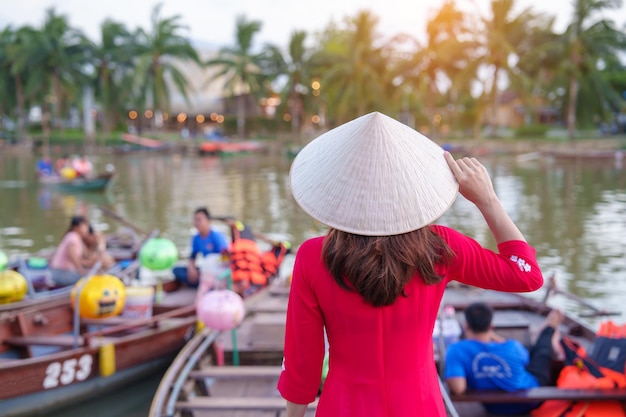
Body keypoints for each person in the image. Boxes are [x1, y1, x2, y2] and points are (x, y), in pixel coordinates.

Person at [277, 112, 544, 417]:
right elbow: (526, 274)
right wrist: (488, 200)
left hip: (344, 406)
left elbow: (303, 363)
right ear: (411, 187)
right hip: (420, 405)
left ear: (341, 189)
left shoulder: (314, 256)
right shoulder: (440, 248)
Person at [444, 302, 563, 415]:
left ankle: (546, 331)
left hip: (494, 407)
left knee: (534, 351)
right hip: (530, 401)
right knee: (542, 351)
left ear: (466, 326)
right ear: (491, 327)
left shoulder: (456, 350)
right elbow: (526, 360)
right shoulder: (512, 345)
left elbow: (458, 389)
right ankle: (549, 328)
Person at [172, 207, 229, 287]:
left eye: (199, 220)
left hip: (217, 270)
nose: (196, 223)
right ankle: (203, 283)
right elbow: (192, 256)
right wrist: (191, 268)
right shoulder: (196, 238)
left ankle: (206, 283)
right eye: (195, 220)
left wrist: (213, 266)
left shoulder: (217, 236)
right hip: (205, 270)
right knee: (176, 270)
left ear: (208, 221)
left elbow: (226, 257)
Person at [49, 216, 101, 286]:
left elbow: (77, 258)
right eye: (84, 226)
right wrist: (82, 271)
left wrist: (89, 263)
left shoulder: (72, 236)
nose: (86, 229)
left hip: (57, 273)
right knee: (94, 277)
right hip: (62, 274)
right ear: (76, 227)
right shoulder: (73, 238)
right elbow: (73, 257)